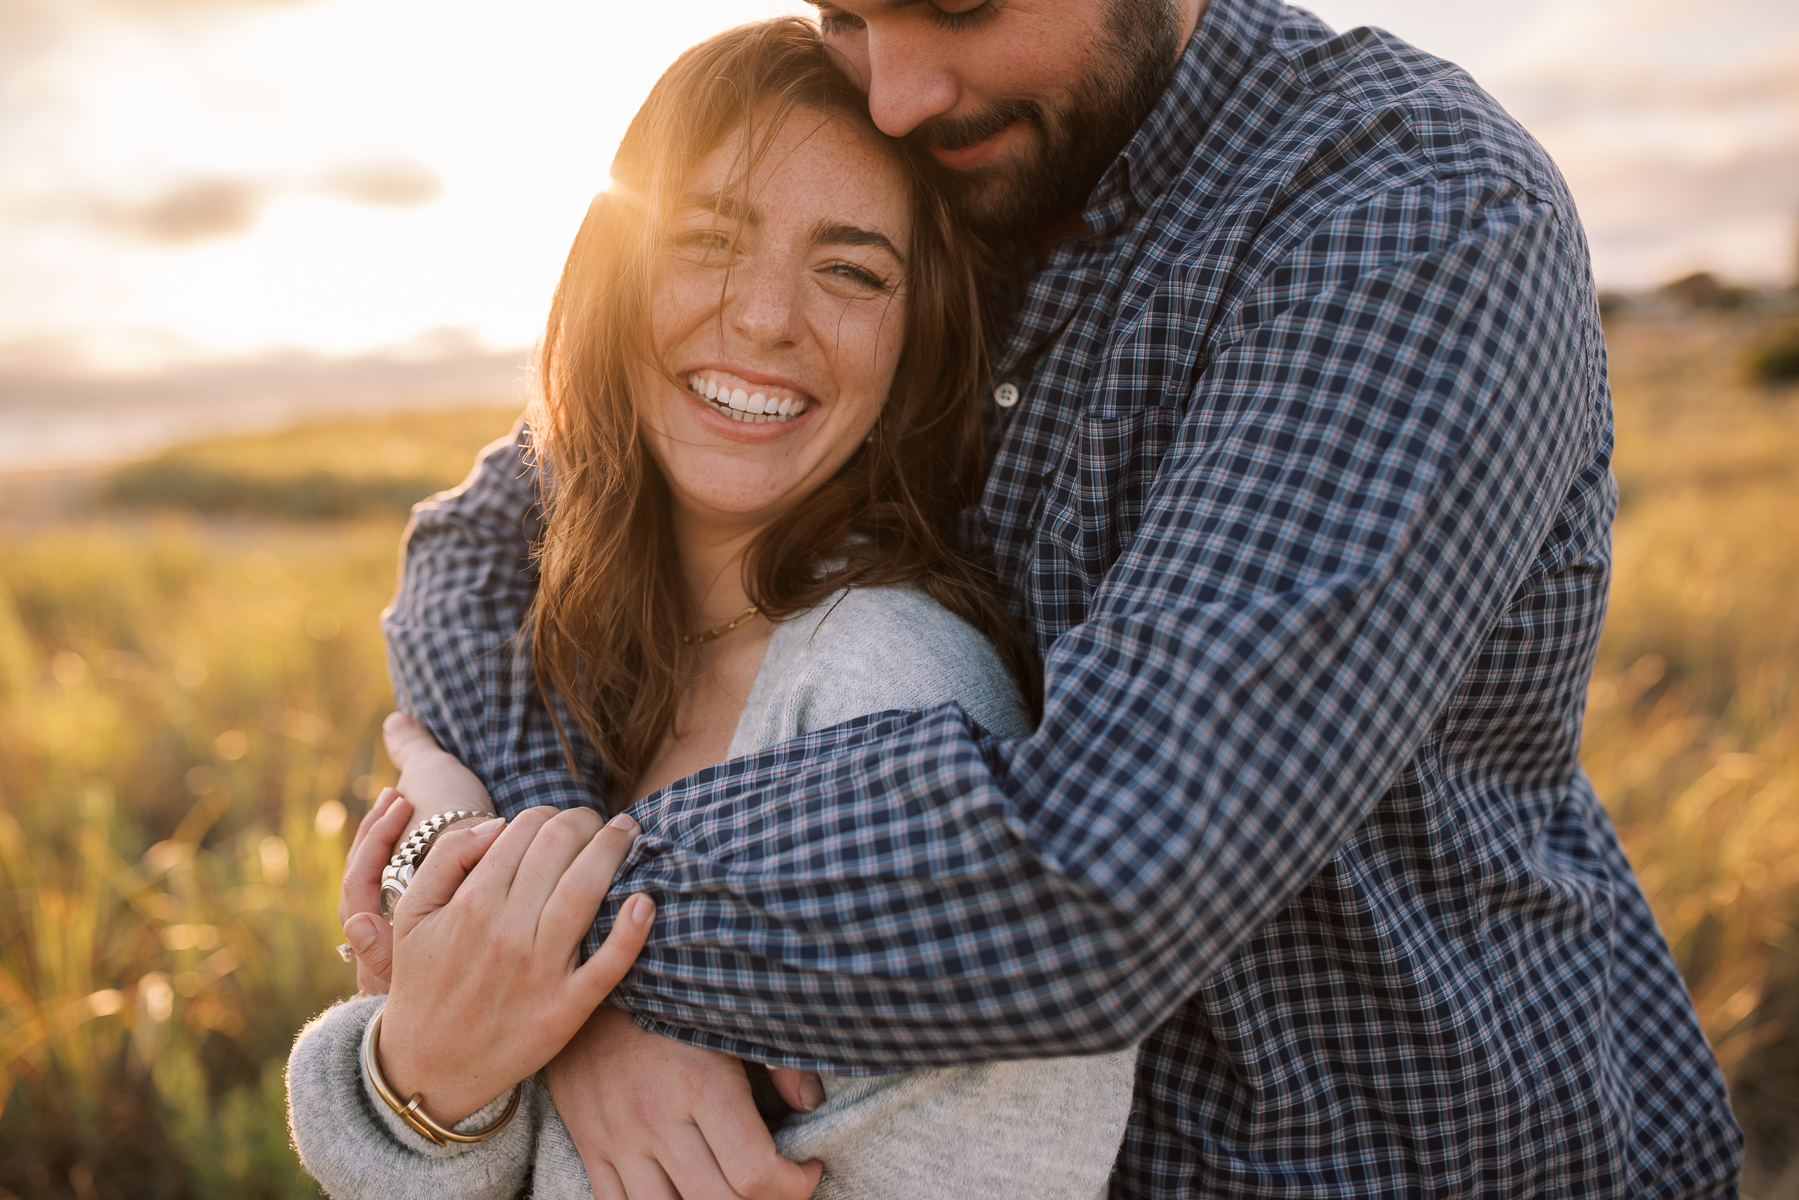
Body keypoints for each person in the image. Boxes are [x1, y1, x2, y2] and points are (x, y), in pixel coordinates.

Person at [371, 0, 1745, 1197]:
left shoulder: (1402, 213)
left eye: (958, 7)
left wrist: (559, 957)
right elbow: (491, 540)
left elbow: (1103, 866)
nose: (892, 91)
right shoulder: (947, 159)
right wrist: (515, 906)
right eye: (844, 14)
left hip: (1383, 1146)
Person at [287, 20, 1138, 1200]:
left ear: (916, 337)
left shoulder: (888, 690)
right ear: (613, 270)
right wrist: (420, 1069)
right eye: (706, 241)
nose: (764, 318)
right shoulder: (561, 652)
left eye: (849, 270)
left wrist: (538, 985)